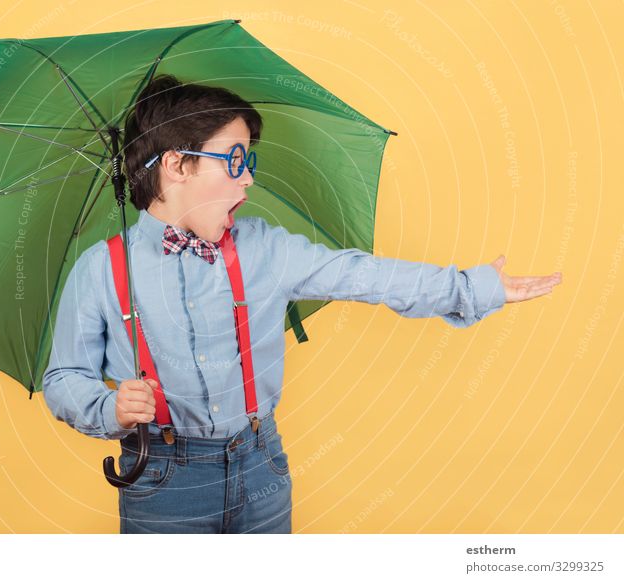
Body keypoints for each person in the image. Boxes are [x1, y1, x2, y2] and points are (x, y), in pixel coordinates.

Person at [41, 74, 563, 534]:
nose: (248, 178)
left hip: (259, 465)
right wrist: (109, 407)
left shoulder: (266, 249)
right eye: (236, 160)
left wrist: (473, 289)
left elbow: (362, 274)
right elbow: (64, 377)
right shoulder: (100, 271)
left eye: (251, 161)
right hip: (162, 481)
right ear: (177, 165)